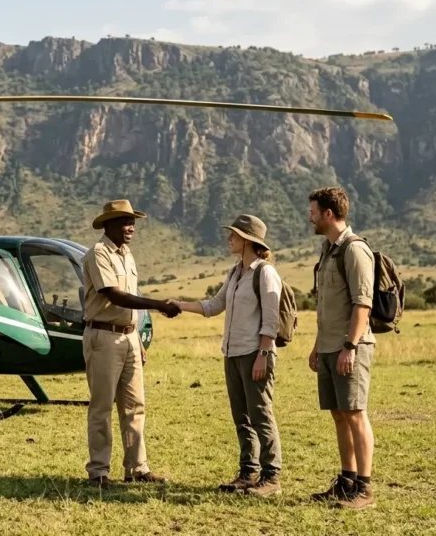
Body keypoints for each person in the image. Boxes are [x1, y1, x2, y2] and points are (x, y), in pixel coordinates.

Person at [173, 214, 284, 497]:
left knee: (261, 413)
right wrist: (178, 305)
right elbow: (214, 305)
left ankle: (272, 477)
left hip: (255, 353)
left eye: (233, 234)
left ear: (247, 240)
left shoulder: (265, 273)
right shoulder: (235, 272)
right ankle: (249, 472)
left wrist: (262, 354)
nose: (228, 238)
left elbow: (271, 321)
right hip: (233, 353)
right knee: (242, 416)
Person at [81, 199, 181, 489]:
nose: (131, 227)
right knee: (102, 407)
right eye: (126, 222)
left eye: (133, 222)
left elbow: (130, 303)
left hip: (128, 337)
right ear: (109, 224)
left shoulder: (127, 255)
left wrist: (137, 339)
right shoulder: (98, 254)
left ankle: (137, 468)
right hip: (104, 336)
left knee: (135, 405)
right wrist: (160, 305)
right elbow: (116, 296)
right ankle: (98, 472)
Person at [307, 186, 377, 510]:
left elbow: (362, 303)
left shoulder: (354, 249)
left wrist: (350, 345)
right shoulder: (328, 250)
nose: (310, 217)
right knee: (338, 414)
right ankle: (347, 481)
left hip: (351, 346)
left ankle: (365, 489)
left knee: (356, 413)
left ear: (329, 214)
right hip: (330, 345)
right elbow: (327, 305)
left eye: (313, 212)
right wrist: (318, 346)